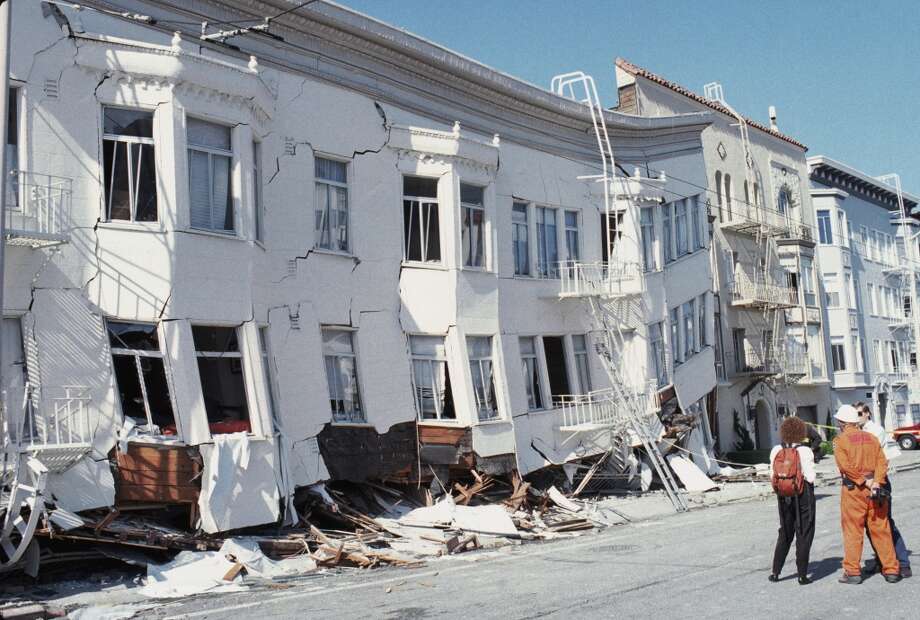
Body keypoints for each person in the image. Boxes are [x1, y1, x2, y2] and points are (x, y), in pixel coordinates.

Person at [833, 404, 901, 584]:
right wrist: (877, 481)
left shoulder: (841, 441)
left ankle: (853, 572)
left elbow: (845, 466)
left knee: (853, 531)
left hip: (854, 490)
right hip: (877, 489)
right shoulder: (871, 438)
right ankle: (892, 570)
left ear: (842, 422)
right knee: (881, 529)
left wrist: (864, 481)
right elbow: (882, 461)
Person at [855, 402, 911, 578]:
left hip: (879, 481)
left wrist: (875, 481)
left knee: (886, 523)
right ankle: (882, 560)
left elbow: (878, 459)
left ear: (867, 414)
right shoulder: (857, 432)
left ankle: (902, 562)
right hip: (865, 483)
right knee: (870, 524)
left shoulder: (875, 431)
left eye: (859, 414)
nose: (856, 418)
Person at [768, 416, 816, 585]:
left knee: (785, 532)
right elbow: (810, 477)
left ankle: (775, 571)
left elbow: (772, 474)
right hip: (802, 494)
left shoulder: (776, 450)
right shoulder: (805, 451)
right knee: (804, 531)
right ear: (800, 432)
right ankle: (802, 575)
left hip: (783, 494)